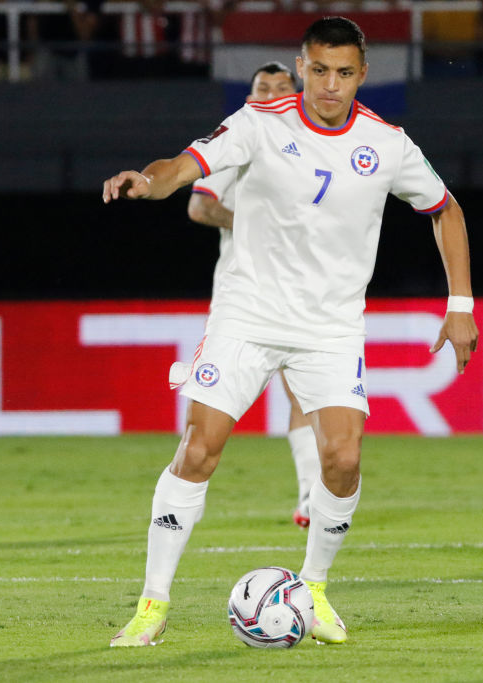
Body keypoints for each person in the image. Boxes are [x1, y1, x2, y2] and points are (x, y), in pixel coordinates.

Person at [102, 16, 479, 647]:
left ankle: (314, 590)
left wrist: (461, 302)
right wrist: (149, 181)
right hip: (247, 315)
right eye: (320, 70)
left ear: (363, 74)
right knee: (199, 450)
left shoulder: (389, 144)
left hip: (330, 327)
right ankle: (152, 605)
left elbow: (446, 211)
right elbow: (184, 165)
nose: (331, 85)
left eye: (346, 72)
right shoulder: (259, 123)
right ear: (301, 68)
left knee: (344, 458)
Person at [185, 60, 322, 528]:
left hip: (305, 292)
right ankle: (183, 500)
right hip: (245, 296)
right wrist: (256, 227)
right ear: (249, 97)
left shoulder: (318, 147)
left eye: (281, 87)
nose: (271, 94)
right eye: (262, 87)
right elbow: (200, 205)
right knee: (212, 409)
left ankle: (309, 497)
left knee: (304, 392)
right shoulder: (238, 138)